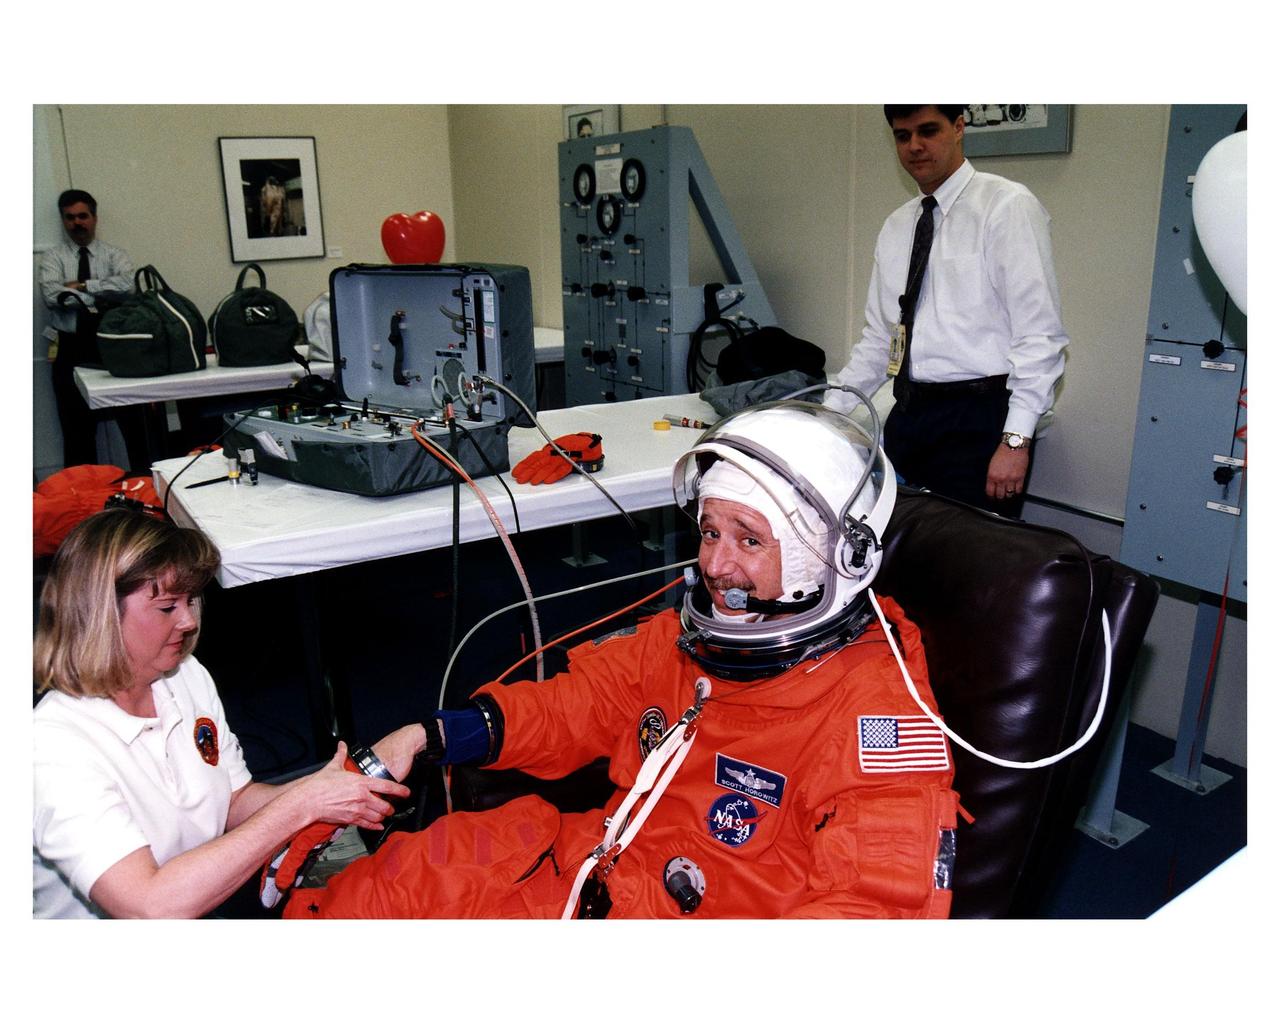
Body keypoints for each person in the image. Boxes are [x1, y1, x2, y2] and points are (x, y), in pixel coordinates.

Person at [284, 400, 959, 919]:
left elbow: (875, 914)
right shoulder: (683, 642)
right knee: (384, 892)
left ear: (825, 558)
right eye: (711, 531)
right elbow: (573, 706)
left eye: (750, 541)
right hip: (580, 866)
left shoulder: (876, 718)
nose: (715, 565)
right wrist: (426, 735)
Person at [32, 509, 423, 919]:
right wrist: (300, 806)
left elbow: (232, 802)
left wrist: (341, 782)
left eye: (191, 601)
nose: (187, 621)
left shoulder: (183, 675)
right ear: (100, 616)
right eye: (167, 607)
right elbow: (149, 907)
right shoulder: (52, 748)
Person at [825, 105, 1069, 517]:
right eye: (903, 136)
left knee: (971, 564)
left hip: (980, 420)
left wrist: (1015, 442)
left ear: (959, 128)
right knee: (897, 552)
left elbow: (1039, 336)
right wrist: (825, 412)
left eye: (928, 130)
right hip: (909, 415)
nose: (915, 146)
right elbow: (880, 340)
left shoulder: (1006, 207)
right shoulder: (897, 226)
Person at [38, 189, 147, 472]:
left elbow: (129, 286)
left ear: (94, 218)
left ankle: (146, 486)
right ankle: (85, 500)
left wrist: (84, 287)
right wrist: (103, 298)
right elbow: (52, 294)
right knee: (76, 430)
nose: (77, 223)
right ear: (64, 220)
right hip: (70, 347)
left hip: (113, 347)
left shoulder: (114, 255)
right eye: (70, 218)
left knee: (135, 425)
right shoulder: (53, 258)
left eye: (83, 216)